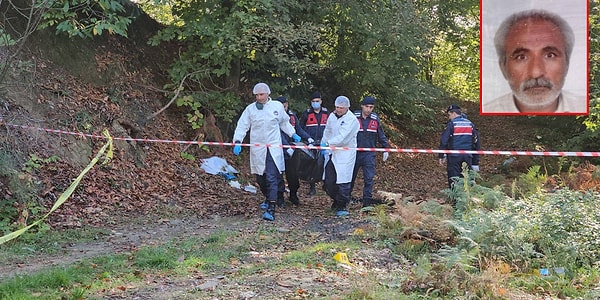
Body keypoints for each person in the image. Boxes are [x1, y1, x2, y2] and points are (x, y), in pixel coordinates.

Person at [484, 9, 586, 114]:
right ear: (503, 68)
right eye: (521, 57)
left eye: (550, 55)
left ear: (567, 63)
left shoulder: (585, 107)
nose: (536, 73)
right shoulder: (488, 111)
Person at [232, 83, 301, 221]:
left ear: (268, 94)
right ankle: (269, 197)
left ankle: (271, 208)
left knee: (271, 177)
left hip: (273, 148)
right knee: (260, 178)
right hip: (258, 148)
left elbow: (284, 123)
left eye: (261, 94)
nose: (259, 97)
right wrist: (238, 141)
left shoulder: (277, 107)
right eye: (256, 95)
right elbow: (242, 125)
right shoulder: (250, 110)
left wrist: (293, 134)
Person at [321, 96, 360, 217]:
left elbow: (343, 137)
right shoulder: (332, 116)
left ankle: (342, 204)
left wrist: (328, 143)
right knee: (328, 180)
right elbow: (327, 131)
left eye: (341, 108)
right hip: (332, 153)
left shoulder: (352, 120)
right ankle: (336, 200)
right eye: (337, 107)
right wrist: (323, 144)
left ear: (347, 108)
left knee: (343, 180)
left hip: (345, 154)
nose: (338, 109)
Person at [350, 96, 391, 208]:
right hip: (354, 153)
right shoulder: (354, 117)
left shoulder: (375, 119)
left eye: (371, 107)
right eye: (366, 106)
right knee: (350, 178)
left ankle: (366, 204)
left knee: (369, 179)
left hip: (369, 154)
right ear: (362, 106)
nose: (368, 109)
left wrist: (385, 148)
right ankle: (345, 200)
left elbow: (381, 134)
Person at [274, 95, 312, 206]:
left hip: (293, 150)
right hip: (279, 149)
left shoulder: (292, 116)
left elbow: (298, 129)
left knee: (293, 175)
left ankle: (293, 195)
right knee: (278, 174)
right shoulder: (274, 116)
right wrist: (286, 147)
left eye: (285, 106)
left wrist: (308, 138)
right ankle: (279, 197)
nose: (284, 108)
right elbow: (278, 134)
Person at [438, 104, 477, 189]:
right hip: (468, 156)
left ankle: (455, 199)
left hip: (454, 156)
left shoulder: (452, 124)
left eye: (449, 115)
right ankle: (467, 198)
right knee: (467, 178)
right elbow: (476, 141)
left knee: (454, 178)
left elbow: (444, 140)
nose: (449, 117)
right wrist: (475, 161)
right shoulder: (470, 124)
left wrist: (441, 155)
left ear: (454, 114)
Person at [299, 91, 328, 196]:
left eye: (317, 101)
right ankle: (312, 186)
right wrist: (307, 139)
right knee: (312, 164)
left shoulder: (326, 113)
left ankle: (326, 183)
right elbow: (300, 128)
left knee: (325, 162)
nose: (315, 103)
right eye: (313, 101)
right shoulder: (307, 113)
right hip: (311, 142)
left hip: (324, 142)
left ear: (321, 101)